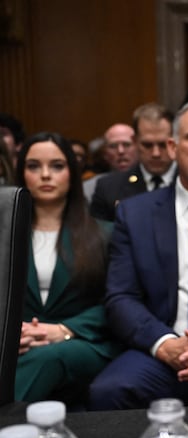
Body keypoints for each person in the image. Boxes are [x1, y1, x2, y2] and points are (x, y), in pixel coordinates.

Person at [87, 100, 188, 410]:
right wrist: (166, 345)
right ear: (172, 148)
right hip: (168, 345)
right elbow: (121, 297)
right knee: (109, 390)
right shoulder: (135, 214)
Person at [15, 132, 118, 403]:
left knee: (49, 356)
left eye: (57, 166)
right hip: (17, 343)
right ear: (21, 172)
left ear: (72, 172)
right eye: (34, 166)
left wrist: (62, 329)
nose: (45, 174)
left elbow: (116, 300)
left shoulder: (104, 234)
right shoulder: (6, 236)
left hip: (84, 341)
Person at [89, 103, 177, 221]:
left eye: (163, 145)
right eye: (147, 145)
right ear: (135, 141)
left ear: (175, 142)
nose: (156, 153)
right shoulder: (109, 188)